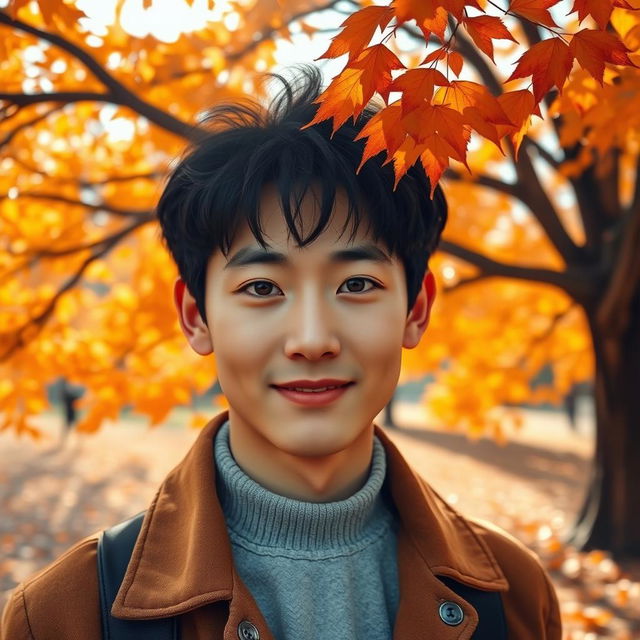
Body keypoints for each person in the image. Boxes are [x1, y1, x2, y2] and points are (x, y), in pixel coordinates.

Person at [0, 64, 562, 639]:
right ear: (196, 316)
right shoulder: (60, 616)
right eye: (262, 289)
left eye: (357, 285)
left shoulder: (513, 595)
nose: (313, 340)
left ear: (416, 308)